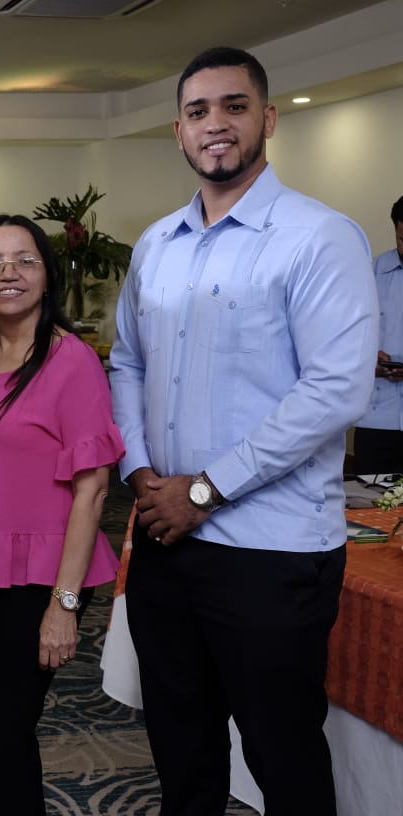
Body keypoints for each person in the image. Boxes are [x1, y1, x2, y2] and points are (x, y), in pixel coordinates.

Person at [109, 47, 377, 815]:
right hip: (165, 539)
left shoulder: (318, 237)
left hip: (270, 549)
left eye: (233, 106)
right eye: (198, 112)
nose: (215, 125)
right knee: (182, 752)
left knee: (281, 754)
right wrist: (139, 475)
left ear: (268, 117)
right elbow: (126, 362)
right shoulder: (157, 246)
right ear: (179, 131)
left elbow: (335, 390)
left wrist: (205, 486)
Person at [0, 214, 124, 814]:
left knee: (8, 723)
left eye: (24, 261)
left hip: (43, 572)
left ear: (47, 273)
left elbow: (93, 491)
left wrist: (64, 607)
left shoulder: (72, 362)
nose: (8, 273)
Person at [352, 194, 403, 475]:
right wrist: (368, 359)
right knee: (370, 506)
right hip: (376, 419)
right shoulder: (369, 273)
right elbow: (344, 337)